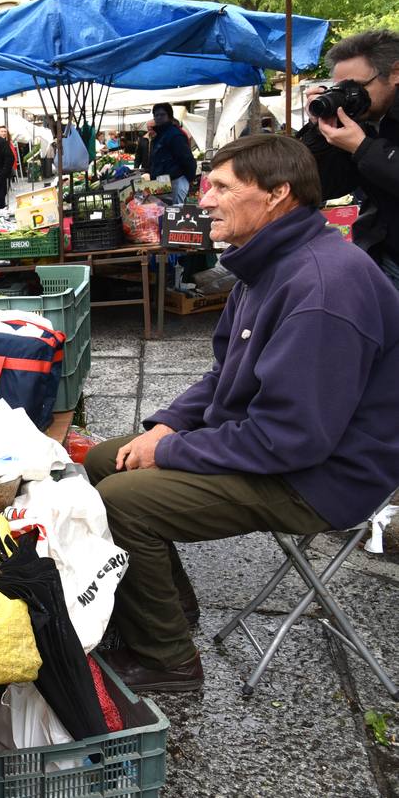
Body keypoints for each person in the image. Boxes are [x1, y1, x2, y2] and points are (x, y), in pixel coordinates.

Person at [83, 135, 399, 693]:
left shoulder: (322, 286)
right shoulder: (267, 265)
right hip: (288, 447)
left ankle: (170, 662)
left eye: (223, 187)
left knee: (122, 503)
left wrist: (173, 450)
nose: (204, 199)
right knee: (107, 460)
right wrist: (169, 424)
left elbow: (292, 439)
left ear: (278, 194)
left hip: (323, 477)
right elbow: (222, 375)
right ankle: (169, 610)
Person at [298, 30, 399, 289]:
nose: (349, 96)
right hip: (382, 254)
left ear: (396, 73)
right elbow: (322, 185)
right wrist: (320, 132)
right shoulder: (363, 121)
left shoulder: (365, 134)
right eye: (341, 89)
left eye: (357, 87)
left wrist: (363, 148)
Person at [146, 102, 197, 204]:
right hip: (162, 184)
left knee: (175, 213)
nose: (159, 117)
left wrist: (188, 179)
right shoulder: (160, 135)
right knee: (164, 213)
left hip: (176, 182)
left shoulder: (175, 135)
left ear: (169, 116)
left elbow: (187, 159)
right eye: (156, 115)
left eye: (162, 114)